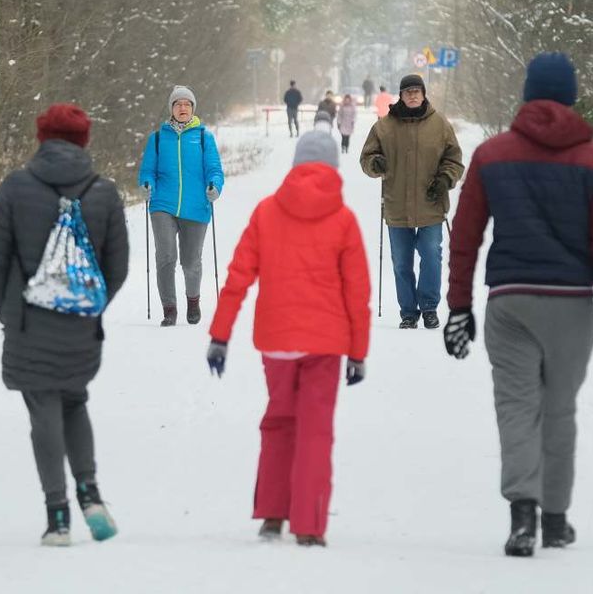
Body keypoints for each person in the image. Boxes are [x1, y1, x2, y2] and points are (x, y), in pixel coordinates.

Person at [443, 52, 593, 558]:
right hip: (572, 305)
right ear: (571, 95)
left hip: (509, 303)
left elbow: (464, 238)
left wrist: (459, 307)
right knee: (559, 410)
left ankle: (522, 519)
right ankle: (554, 520)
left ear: (528, 94)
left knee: (515, 408)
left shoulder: (491, 155)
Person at [205, 130, 370, 548]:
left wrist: (220, 336)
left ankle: (273, 516)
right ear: (333, 166)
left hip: (277, 340)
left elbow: (238, 276)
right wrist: (358, 352)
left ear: (296, 164)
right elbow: (358, 292)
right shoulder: (343, 218)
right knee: (315, 429)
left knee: (279, 421)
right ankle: (309, 525)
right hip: (326, 343)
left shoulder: (267, 211)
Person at [0, 103, 130, 547]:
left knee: (42, 407)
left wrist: (9, 312)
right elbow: (117, 266)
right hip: (80, 324)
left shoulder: (15, 188)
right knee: (74, 400)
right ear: (85, 141)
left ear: (41, 138)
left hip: (28, 322)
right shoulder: (102, 192)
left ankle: (58, 515)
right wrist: (90, 306)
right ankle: (90, 492)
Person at [360, 74, 463, 329]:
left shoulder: (440, 125)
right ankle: (408, 311)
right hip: (397, 205)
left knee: (431, 255)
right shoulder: (384, 127)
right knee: (401, 261)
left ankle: (429, 307)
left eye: (417, 91)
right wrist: (376, 164)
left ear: (424, 94)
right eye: (409, 91)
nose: (413, 95)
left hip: (431, 204)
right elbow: (367, 159)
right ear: (401, 95)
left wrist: (445, 179)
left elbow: (454, 160)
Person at [138, 86, 225, 326]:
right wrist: (146, 184)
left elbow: (215, 170)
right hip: (162, 205)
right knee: (165, 257)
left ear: (193, 108)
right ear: (171, 109)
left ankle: (193, 301)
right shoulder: (157, 139)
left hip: (196, 206)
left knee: (190, 262)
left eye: (187, 104)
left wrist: (214, 186)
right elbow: (147, 171)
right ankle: (169, 309)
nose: (182, 108)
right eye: (178, 104)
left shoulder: (204, 137)